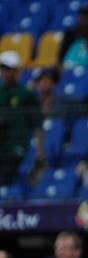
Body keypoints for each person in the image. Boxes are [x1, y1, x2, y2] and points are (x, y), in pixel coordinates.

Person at [0, 51, 45, 184]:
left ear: (17, 71)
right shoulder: (0, 92)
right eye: (4, 69)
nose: (6, 73)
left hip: (17, 146)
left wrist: (40, 152)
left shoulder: (26, 94)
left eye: (9, 69)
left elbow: (38, 123)